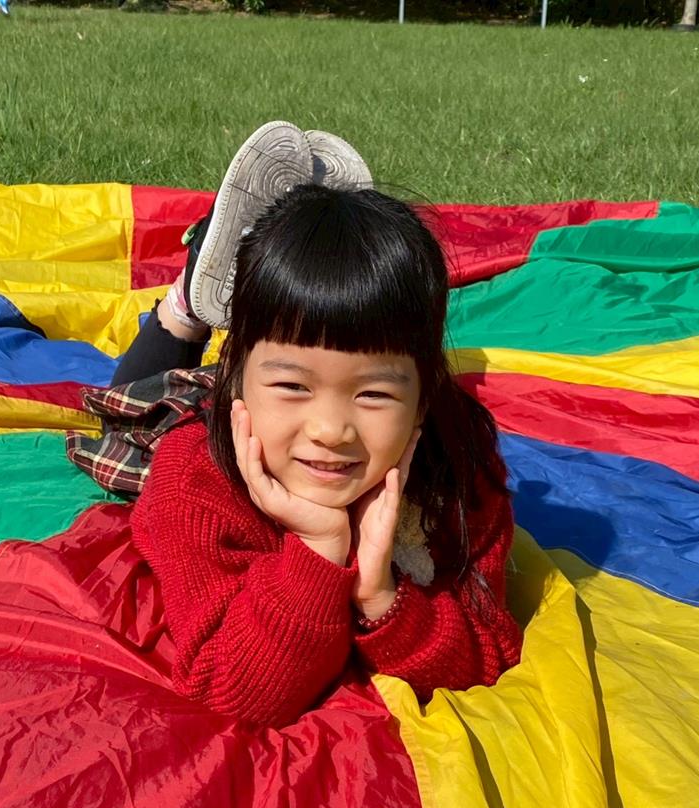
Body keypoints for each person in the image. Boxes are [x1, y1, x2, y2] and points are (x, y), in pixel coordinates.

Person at [116, 121, 522, 728]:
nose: (331, 429)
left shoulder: (456, 466)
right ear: (240, 375)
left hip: (261, 387)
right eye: (295, 386)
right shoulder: (190, 476)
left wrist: (381, 595)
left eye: (375, 393)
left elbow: (485, 652)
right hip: (201, 412)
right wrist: (319, 548)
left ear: (423, 398)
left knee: (304, 359)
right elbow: (231, 690)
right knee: (130, 409)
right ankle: (188, 303)